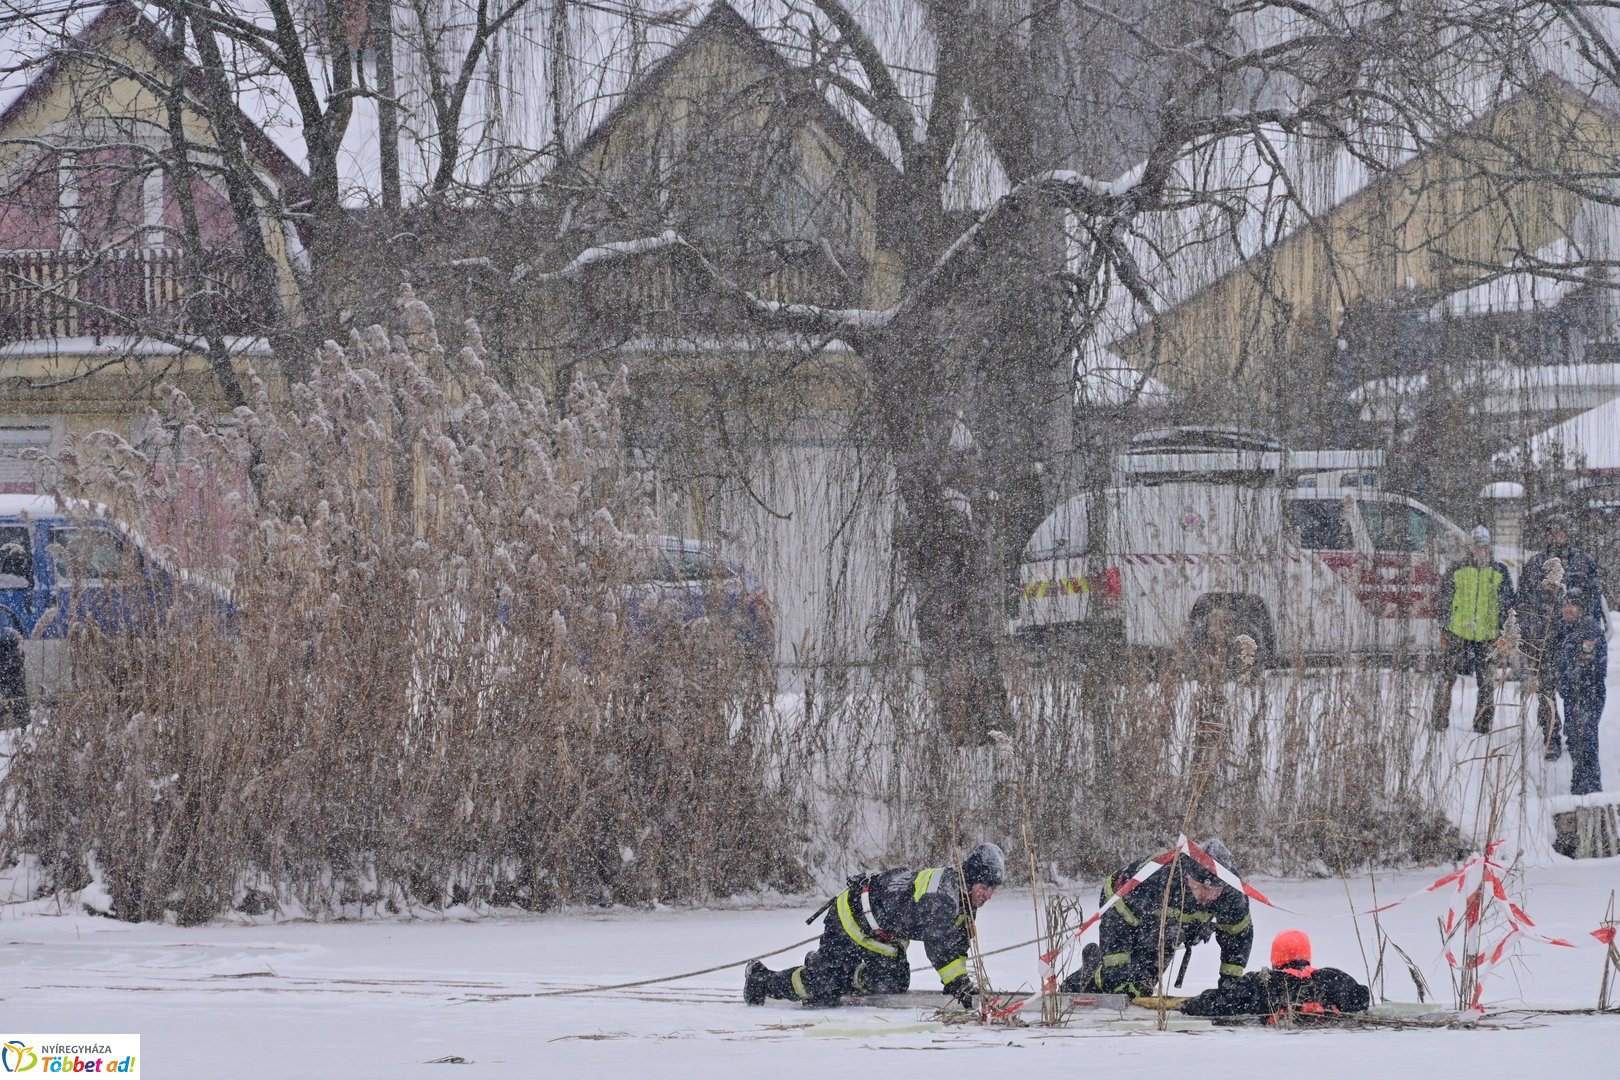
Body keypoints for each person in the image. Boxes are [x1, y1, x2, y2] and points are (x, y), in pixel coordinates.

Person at [744, 842, 1004, 1008]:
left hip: (885, 937)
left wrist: (961, 982)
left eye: (992, 889)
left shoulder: (965, 899)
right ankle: (762, 979)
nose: (988, 895)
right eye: (984, 887)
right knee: (821, 991)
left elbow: (956, 944)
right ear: (970, 880)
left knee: (892, 987)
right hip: (853, 921)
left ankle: (839, 969)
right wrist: (957, 984)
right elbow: (940, 948)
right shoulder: (942, 898)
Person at [1059, 839, 1252, 997]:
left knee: (1140, 988)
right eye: (1201, 886)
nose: (1206, 895)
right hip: (1122, 906)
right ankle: (1084, 977)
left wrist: (1230, 986)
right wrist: (1116, 971)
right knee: (1118, 982)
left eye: (1214, 889)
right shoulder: (1158, 879)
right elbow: (1116, 923)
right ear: (1188, 876)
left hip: (1167, 928)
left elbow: (1238, 939)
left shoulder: (1232, 893)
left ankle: (1103, 967)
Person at [1516, 515, 1606, 758]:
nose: (1555, 536)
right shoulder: (1536, 564)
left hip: (1575, 640)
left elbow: (1595, 601)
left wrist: (1591, 636)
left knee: (1576, 691)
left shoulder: (1583, 562)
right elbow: (1523, 602)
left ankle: (1575, 738)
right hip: (1544, 640)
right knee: (1547, 693)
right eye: (1551, 532)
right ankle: (1550, 738)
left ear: (1567, 534)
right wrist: (1526, 635)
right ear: (1546, 535)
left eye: (1560, 532)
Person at [1432, 525, 1515, 734]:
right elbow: (1443, 598)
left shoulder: (1499, 571)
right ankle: (1438, 721)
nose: (1481, 550)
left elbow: (1507, 603)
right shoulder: (1457, 569)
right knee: (1446, 677)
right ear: (1471, 547)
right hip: (1457, 632)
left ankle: (1482, 724)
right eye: (1477, 546)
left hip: (1488, 635)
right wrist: (1444, 626)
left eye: (1484, 546)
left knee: (1486, 682)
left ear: (1489, 547)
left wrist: (1503, 631)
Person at [1179, 929, 1369, 1019]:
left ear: (1275, 956)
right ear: (1307, 953)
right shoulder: (1332, 977)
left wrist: (1188, 1005)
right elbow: (1362, 998)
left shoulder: (1263, 982)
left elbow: (1220, 1001)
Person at [1556, 587, 1608, 796]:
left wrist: (1577, 681)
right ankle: (1579, 786)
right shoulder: (1564, 629)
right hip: (1572, 695)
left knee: (1587, 741)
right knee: (1576, 741)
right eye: (1565, 604)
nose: (1568, 608)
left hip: (1588, 694)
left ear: (1581, 608)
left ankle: (1592, 788)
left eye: (1573, 605)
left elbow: (1590, 664)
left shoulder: (1588, 628)